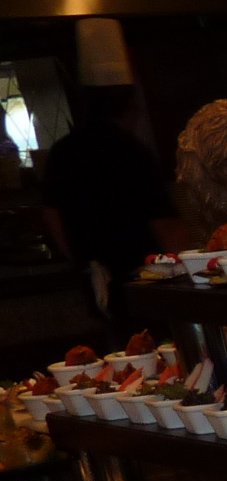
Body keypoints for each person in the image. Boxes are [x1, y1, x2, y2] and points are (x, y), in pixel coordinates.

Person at [40, 85, 181, 319]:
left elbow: (50, 213)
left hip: (95, 272)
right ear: (129, 109)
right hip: (145, 274)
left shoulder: (62, 150)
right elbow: (162, 220)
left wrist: (79, 259)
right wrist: (181, 264)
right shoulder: (132, 150)